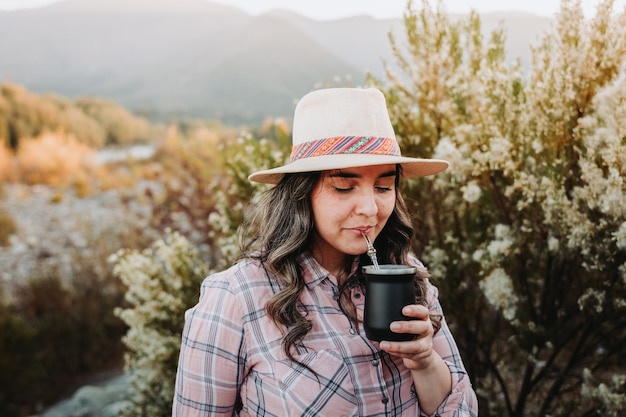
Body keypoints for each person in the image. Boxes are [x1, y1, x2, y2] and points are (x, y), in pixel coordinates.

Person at [172, 88, 478, 416]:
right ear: (301, 193)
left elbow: (463, 410)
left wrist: (425, 361)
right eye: (344, 187)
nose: (370, 208)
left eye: (384, 186)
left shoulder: (407, 275)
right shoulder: (235, 297)